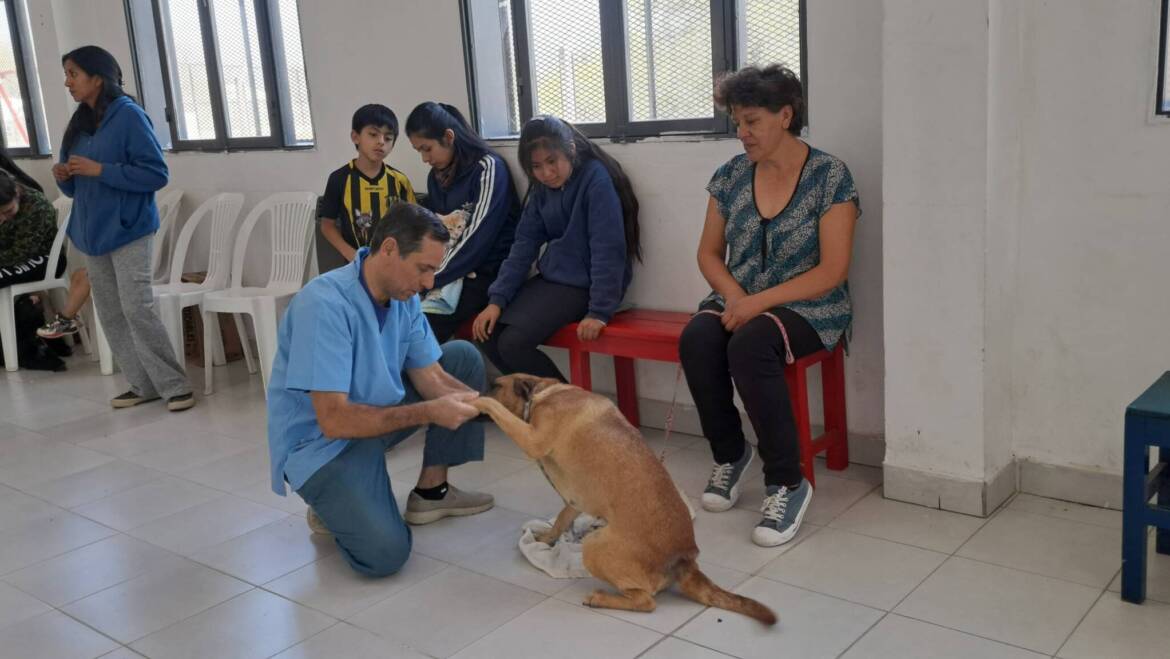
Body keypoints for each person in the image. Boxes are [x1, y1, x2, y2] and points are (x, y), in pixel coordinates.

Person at [678, 65, 859, 548]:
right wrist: (738, 298)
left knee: (752, 343)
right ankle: (731, 454)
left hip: (810, 305)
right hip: (741, 296)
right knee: (697, 337)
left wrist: (756, 304)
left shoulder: (830, 176)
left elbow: (832, 271)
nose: (742, 133)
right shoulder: (730, 176)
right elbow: (708, 254)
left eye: (752, 121)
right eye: (737, 121)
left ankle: (787, 482)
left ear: (785, 115)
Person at [267, 202, 494, 577]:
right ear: (388, 249)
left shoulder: (402, 298)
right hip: (322, 444)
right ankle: (332, 500)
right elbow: (335, 420)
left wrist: (500, 409)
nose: (428, 284)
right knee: (386, 555)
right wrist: (428, 412)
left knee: (462, 359)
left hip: (372, 416)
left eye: (433, 271)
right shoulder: (324, 305)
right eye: (424, 269)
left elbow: (433, 379)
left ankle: (431, 494)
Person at [53, 45, 193, 411]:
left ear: (97, 77)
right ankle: (141, 383)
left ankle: (175, 385)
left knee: (137, 307)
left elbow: (155, 173)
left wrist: (101, 170)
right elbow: (76, 187)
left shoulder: (130, 117)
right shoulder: (80, 123)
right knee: (111, 312)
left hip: (130, 229)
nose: (67, 82)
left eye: (73, 74)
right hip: (92, 234)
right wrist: (65, 177)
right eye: (66, 74)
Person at [472, 115, 640, 381]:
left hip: (586, 287)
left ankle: (569, 411)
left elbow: (608, 249)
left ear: (570, 150)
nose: (547, 173)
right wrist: (496, 300)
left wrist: (599, 311)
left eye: (552, 162)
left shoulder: (595, 179)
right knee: (486, 332)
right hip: (553, 280)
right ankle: (539, 410)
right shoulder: (541, 190)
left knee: (513, 344)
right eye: (536, 166)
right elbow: (522, 247)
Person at [404, 102, 520, 342]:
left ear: (448, 137)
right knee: (399, 311)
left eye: (428, 149)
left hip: (484, 272)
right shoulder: (436, 178)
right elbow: (436, 234)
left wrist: (431, 279)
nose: (425, 159)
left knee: (422, 328)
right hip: (447, 272)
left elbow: (478, 239)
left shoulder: (488, 168)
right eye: (418, 152)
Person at [319, 104, 416, 264]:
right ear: (355, 137)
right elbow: (327, 225)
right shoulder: (339, 179)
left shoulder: (400, 181)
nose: (381, 142)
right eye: (373, 134)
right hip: (355, 266)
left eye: (388, 137)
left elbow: (414, 222)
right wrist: (352, 255)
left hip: (394, 265)